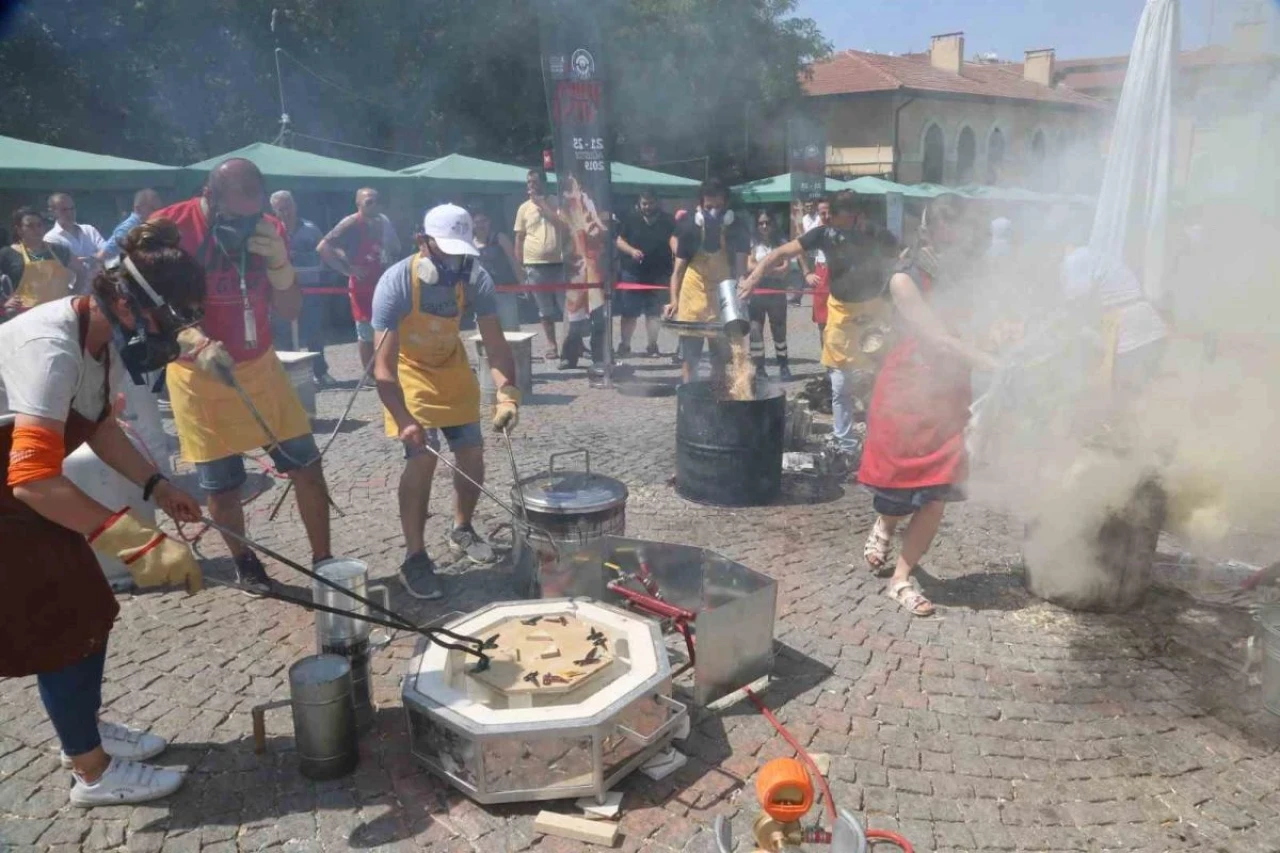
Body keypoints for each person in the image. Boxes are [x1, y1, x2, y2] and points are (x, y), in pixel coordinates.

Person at [0, 219, 206, 805]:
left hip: (22, 487)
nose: (163, 337)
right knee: (59, 625)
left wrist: (158, 486)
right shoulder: (50, 347)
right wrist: (138, 544)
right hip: (14, 491)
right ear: (121, 299)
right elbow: (34, 480)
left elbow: (100, 425)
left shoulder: (102, 339)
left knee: (90, 606)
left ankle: (84, 730)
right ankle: (91, 772)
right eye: (160, 323)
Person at [153, 158, 333, 594]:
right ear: (209, 196)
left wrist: (280, 268)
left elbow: (289, 310)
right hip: (198, 376)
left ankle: (325, 563)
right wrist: (188, 339)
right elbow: (145, 309)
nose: (243, 223)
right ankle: (245, 563)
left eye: (251, 213)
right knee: (222, 484)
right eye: (234, 215)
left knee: (308, 466)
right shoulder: (168, 227)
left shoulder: (269, 228)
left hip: (261, 368)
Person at [855, 195, 999, 617]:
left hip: (950, 389)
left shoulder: (966, 276)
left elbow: (976, 323)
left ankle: (901, 579)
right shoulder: (905, 279)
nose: (961, 243)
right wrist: (991, 362)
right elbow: (937, 338)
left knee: (936, 492)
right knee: (897, 490)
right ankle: (884, 522)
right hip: (908, 390)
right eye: (951, 233)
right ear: (930, 232)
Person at [372, 204, 521, 600]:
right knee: (423, 458)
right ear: (423, 242)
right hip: (410, 373)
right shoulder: (396, 282)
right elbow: (382, 368)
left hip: (452, 370)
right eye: (447, 251)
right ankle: (415, 558)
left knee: (472, 454)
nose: (455, 262)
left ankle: (462, 528)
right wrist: (404, 419)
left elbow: (496, 346)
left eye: (461, 252)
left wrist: (507, 394)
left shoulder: (476, 279)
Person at [742, 191, 897, 456]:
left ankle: (877, 443)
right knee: (840, 384)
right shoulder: (824, 234)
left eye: (833, 216)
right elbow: (781, 252)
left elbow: (900, 261)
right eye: (827, 215)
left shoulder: (877, 234)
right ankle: (844, 443)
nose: (827, 220)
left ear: (851, 215)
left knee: (875, 382)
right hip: (840, 312)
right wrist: (754, 277)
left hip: (873, 313)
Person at [664, 180, 748, 385]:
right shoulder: (689, 228)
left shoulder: (737, 227)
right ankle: (689, 397)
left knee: (719, 358)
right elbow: (677, 272)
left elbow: (741, 270)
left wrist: (742, 296)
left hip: (722, 292)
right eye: (708, 207)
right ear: (700, 208)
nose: (713, 213)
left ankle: (717, 397)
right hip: (692, 293)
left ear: (727, 207)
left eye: (719, 208)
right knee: (690, 358)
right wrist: (673, 300)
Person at [318, 187, 401, 378]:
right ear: (358, 204)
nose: (374, 205)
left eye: (377, 201)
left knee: (388, 326)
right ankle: (370, 374)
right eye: (369, 202)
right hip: (362, 285)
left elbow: (395, 248)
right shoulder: (350, 222)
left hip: (383, 281)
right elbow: (324, 247)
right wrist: (347, 270)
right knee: (366, 331)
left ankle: (388, 369)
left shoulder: (383, 221)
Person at [269, 191, 333, 385]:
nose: (285, 211)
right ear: (274, 210)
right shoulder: (270, 230)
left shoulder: (311, 229)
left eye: (288, 206)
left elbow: (322, 255)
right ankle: (289, 375)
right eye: (280, 208)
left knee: (314, 331)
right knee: (283, 333)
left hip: (310, 288)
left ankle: (320, 372)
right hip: (282, 290)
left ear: (295, 205)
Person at [514, 170, 570, 362]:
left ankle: (569, 345)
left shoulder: (556, 202)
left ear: (544, 183)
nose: (531, 185)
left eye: (535, 181)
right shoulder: (523, 208)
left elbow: (563, 226)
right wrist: (519, 264)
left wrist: (542, 205)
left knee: (566, 308)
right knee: (544, 310)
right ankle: (551, 345)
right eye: (528, 182)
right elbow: (519, 236)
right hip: (534, 264)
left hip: (559, 263)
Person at [615, 188, 674, 357]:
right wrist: (631, 251)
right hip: (632, 272)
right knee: (629, 312)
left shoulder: (668, 221)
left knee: (654, 313)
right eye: (644, 203)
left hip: (658, 273)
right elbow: (619, 240)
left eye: (650, 203)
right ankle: (625, 345)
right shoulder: (630, 219)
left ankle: (652, 345)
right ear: (639, 203)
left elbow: (675, 241)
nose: (647, 206)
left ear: (657, 203)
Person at [559, 174, 608, 369]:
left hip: (595, 266)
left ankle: (599, 358)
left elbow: (600, 229)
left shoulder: (591, 204)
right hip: (575, 269)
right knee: (574, 321)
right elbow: (569, 232)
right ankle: (569, 356)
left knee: (598, 318)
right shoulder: (567, 208)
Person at [1, 206, 79, 316]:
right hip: (24, 317)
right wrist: (4, 302)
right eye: (30, 226)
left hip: (59, 314)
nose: (37, 229)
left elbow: (82, 271)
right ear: (19, 230)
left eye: (39, 225)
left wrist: (74, 294)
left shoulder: (59, 250)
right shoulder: (7, 254)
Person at [744, 211, 790, 380]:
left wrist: (761, 269)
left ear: (772, 224)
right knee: (755, 331)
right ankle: (759, 368)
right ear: (757, 225)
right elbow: (748, 266)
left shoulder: (781, 243)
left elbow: (785, 269)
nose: (764, 226)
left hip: (776, 292)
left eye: (767, 223)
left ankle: (783, 365)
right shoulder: (752, 243)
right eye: (761, 223)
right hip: (757, 292)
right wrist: (771, 269)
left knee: (779, 330)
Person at [472, 208, 522, 331]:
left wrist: (522, 283)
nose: (480, 225)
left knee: (510, 329)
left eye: (484, 221)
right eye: (477, 222)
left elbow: (513, 261)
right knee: (485, 331)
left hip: (505, 291)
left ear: (489, 222)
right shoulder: (469, 244)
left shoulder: (500, 238)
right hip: (483, 295)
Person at [45, 193, 106, 282]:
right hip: (73, 291)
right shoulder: (50, 239)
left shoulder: (89, 230)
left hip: (100, 287)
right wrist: (97, 258)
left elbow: (108, 252)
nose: (70, 213)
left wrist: (92, 259)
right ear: (52, 212)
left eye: (72, 209)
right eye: (64, 210)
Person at [102, 189, 163, 258]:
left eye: (160, 209)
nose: (159, 213)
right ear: (138, 209)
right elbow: (103, 255)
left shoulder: (147, 226)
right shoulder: (128, 228)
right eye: (153, 209)